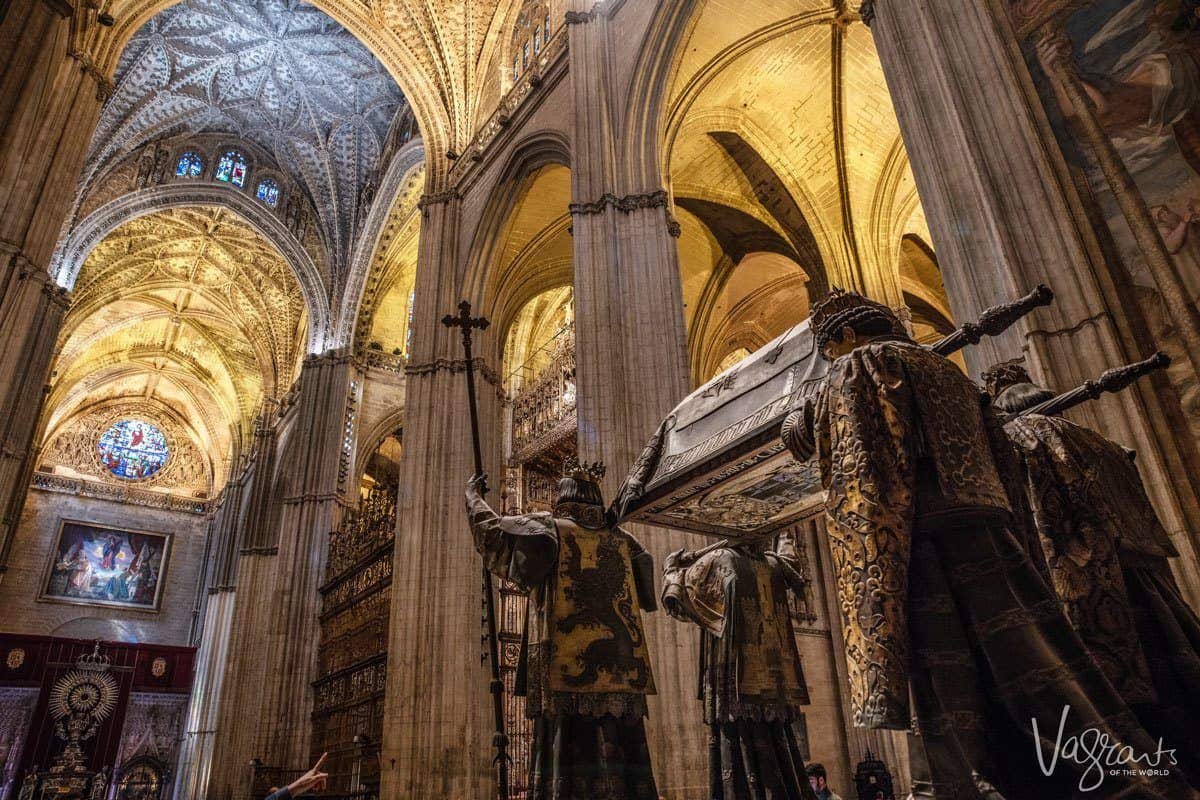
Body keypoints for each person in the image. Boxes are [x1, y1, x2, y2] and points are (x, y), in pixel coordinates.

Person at [780, 288, 1193, 800]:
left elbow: (849, 436)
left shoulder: (866, 360)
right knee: (1040, 661)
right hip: (993, 533)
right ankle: (1123, 776)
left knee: (957, 688)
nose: (831, 364)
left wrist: (798, 424)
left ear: (844, 335)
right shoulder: (951, 374)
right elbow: (1004, 454)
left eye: (829, 353)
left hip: (929, 542)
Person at [986, 359, 1200, 786]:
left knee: (1125, 705)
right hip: (1146, 580)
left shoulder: (1029, 437)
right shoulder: (1103, 442)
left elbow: (1048, 523)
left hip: (1094, 581)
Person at [465, 458, 659, 799]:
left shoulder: (549, 529)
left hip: (565, 671)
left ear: (563, 496)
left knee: (565, 746)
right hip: (622, 674)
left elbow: (493, 531)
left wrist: (473, 498)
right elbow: (647, 587)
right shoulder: (627, 542)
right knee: (622, 748)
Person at [662, 533, 816, 800]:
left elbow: (677, 600)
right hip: (773, 686)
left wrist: (671, 567)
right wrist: (783, 532)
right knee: (781, 752)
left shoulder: (720, 559)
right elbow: (793, 564)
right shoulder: (774, 564)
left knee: (737, 751)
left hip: (734, 684)